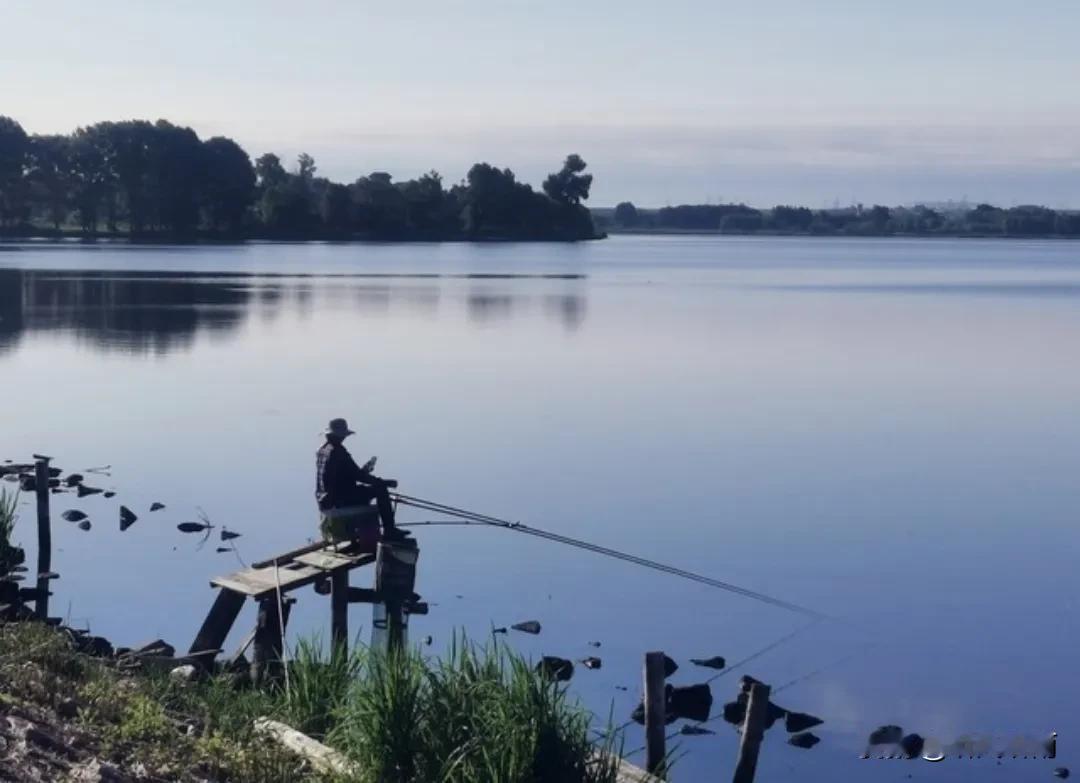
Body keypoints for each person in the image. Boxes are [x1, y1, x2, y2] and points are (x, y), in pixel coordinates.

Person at [316, 418, 405, 542]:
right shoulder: (338, 452)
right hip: (338, 500)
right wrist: (383, 482)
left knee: (368, 490)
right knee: (380, 490)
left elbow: (343, 475)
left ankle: (370, 529)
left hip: (325, 500)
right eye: (342, 436)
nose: (343, 438)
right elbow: (358, 476)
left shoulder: (322, 450)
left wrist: (364, 473)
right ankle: (390, 530)